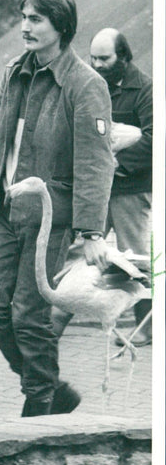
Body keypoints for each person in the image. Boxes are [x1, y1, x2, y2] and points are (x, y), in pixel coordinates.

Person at [0, 0, 115, 417]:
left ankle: (40, 401)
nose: (25, 27)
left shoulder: (85, 84)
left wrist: (91, 232)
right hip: (7, 212)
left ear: (60, 25)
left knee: (29, 316)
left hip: (51, 219)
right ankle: (47, 386)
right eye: (23, 17)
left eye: (36, 19)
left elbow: (96, 164)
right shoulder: (15, 72)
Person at [89, 28, 152, 346]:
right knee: (80, 248)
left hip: (129, 188)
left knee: (136, 258)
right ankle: (54, 318)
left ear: (123, 57)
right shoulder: (92, 85)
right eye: (94, 58)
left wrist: (117, 165)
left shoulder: (145, 90)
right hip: (99, 188)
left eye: (105, 58)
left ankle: (146, 325)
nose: (97, 64)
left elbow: (155, 139)